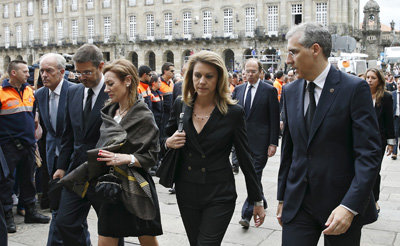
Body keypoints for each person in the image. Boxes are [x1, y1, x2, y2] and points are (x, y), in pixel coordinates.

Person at [277, 22, 381, 246]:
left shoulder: (354, 89)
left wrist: (350, 206)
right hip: (298, 205)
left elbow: (369, 153)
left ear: (315, 49)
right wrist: (282, 197)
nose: (288, 60)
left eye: (293, 52)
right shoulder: (289, 91)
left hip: (341, 207)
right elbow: (290, 149)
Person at [165, 50, 265, 245]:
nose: (202, 81)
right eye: (197, 75)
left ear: (219, 79)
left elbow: (245, 157)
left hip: (219, 193)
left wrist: (257, 200)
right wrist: (168, 142)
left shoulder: (233, 112)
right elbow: (163, 139)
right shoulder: (181, 105)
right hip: (187, 190)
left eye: (208, 76)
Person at [54, 44, 117, 246]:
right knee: (65, 222)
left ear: (101, 66)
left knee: (111, 228)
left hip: (105, 173)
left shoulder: (114, 94)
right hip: (77, 172)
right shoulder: (73, 92)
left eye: (87, 72)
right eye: (78, 72)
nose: (82, 77)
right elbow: (68, 134)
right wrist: (62, 166)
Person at [95, 59, 162, 246]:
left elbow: (152, 157)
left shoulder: (143, 115)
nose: (106, 89)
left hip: (136, 186)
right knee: (105, 239)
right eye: (105, 84)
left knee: (147, 239)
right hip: (111, 186)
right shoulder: (109, 111)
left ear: (127, 81)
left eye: (110, 84)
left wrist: (126, 158)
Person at [0, 60, 50, 234]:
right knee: (6, 182)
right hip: (8, 146)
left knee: (28, 180)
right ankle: (7, 218)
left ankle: (30, 212)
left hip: (28, 144)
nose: (29, 74)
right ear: (13, 73)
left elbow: (33, 113)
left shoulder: (29, 90)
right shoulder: (1, 92)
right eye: (24, 71)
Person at [232, 58, 280, 229]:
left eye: (253, 71)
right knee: (251, 177)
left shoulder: (269, 90)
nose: (250, 74)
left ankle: (246, 214)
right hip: (242, 143)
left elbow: (274, 118)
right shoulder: (238, 90)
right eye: (247, 71)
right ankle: (261, 199)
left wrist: (273, 142)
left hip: (261, 142)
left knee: (255, 175)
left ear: (260, 72)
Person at [35, 53, 76, 245]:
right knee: (58, 207)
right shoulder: (40, 94)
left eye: (48, 70)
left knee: (70, 211)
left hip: (74, 159)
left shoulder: (75, 91)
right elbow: (47, 131)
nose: (44, 75)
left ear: (62, 72)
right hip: (52, 158)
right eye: (42, 70)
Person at [365, 68, 395, 213]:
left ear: (379, 81)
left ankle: (374, 201)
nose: (369, 80)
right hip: (360, 139)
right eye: (368, 77)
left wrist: (391, 142)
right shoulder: (360, 95)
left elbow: (389, 120)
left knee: (375, 171)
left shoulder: (386, 97)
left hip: (378, 140)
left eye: (373, 78)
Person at [159, 62, 175, 138]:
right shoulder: (158, 83)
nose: (173, 73)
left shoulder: (171, 82)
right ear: (165, 71)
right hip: (163, 114)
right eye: (171, 71)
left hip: (171, 113)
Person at [392, 76, 400, 160]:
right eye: (398, 84)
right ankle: (394, 153)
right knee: (395, 135)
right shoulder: (392, 94)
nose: (399, 85)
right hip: (396, 117)